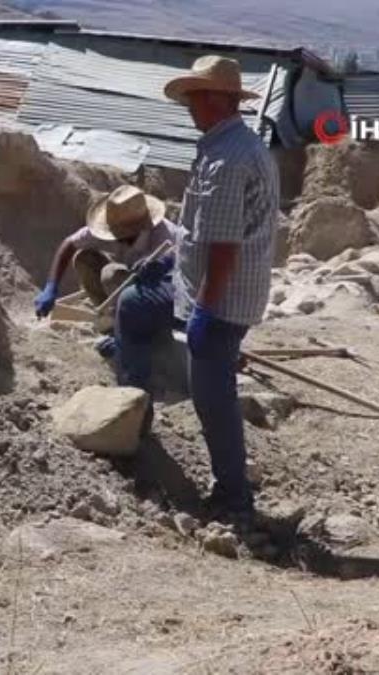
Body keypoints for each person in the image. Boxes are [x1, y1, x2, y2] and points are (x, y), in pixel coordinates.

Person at [155, 55, 280, 520]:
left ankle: (233, 495)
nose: (188, 106)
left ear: (214, 99)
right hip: (223, 294)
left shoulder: (228, 159)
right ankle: (230, 485)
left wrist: (205, 312)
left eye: (193, 97)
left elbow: (223, 246)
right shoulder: (232, 146)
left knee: (213, 398)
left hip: (222, 299)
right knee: (213, 387)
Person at [33, 185, 177, 315]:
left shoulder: (165, 235)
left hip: (158, 293)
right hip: (127, 280)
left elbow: (178, 278)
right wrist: (51, 286)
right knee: (85, 259)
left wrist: (157, 267)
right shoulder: (115, 222)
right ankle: (108, 315)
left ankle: (128, 323)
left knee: (111, 274)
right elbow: (69, 244)